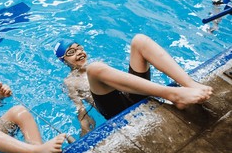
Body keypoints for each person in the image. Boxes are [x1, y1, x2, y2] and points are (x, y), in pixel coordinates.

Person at [55, 34, 213, 136]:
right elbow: (79, 108)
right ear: (64, 60)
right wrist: (85, 127)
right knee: (95, 69)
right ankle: (172, 94)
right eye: (71, 52)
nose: (78, 52)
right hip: (116, 110)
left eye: (79, 48)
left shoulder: (100, 64)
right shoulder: (70, 81)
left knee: (140, 41)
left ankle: (190, 84)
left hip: (131, 94)